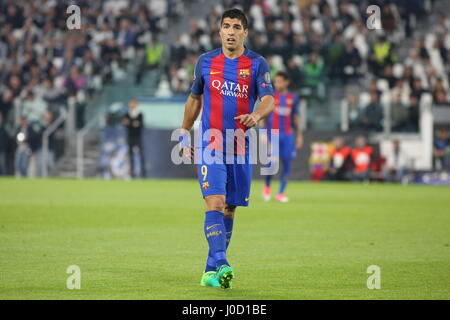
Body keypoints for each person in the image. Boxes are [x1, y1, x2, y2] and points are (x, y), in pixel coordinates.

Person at [178, 8, 275, 289]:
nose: (230, 32)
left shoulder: (257, 64)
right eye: (226, 26)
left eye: (236, 27)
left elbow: (269, 98)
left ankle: (210, 271)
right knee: (215, 203)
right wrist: (184, 133)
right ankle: (222, 262)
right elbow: (194, 99)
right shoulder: (205, 62)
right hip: (211, 143)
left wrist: (256, 116)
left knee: (230, 209)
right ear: (219, 30)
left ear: (245, 32)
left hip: (240, 146)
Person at [261, 71, 303, 202]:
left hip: (288, 134)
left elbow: (296, 117)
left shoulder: (293, 97)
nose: (276, 83)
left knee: (287, 163)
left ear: (286, 82)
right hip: (273, 133)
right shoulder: (270, 96)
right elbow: (262, 114)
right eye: (276, 81)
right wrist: (262, 133)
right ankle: (267, 186)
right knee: (271, 163)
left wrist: (299, 135)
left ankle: (281, 193)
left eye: (279, 81)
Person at [122, 99, 145, 178]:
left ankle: (143, 174)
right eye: (131, 104)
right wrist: (134, 123)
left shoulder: (140, 114)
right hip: (130, 137)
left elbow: (140, 125)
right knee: (131, 156)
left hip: (138, 137)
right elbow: (126, 124)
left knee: (141, 155)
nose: (132, 105)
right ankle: (132, 174)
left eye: (133, 104)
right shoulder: (126, 114)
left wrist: (131, 123)